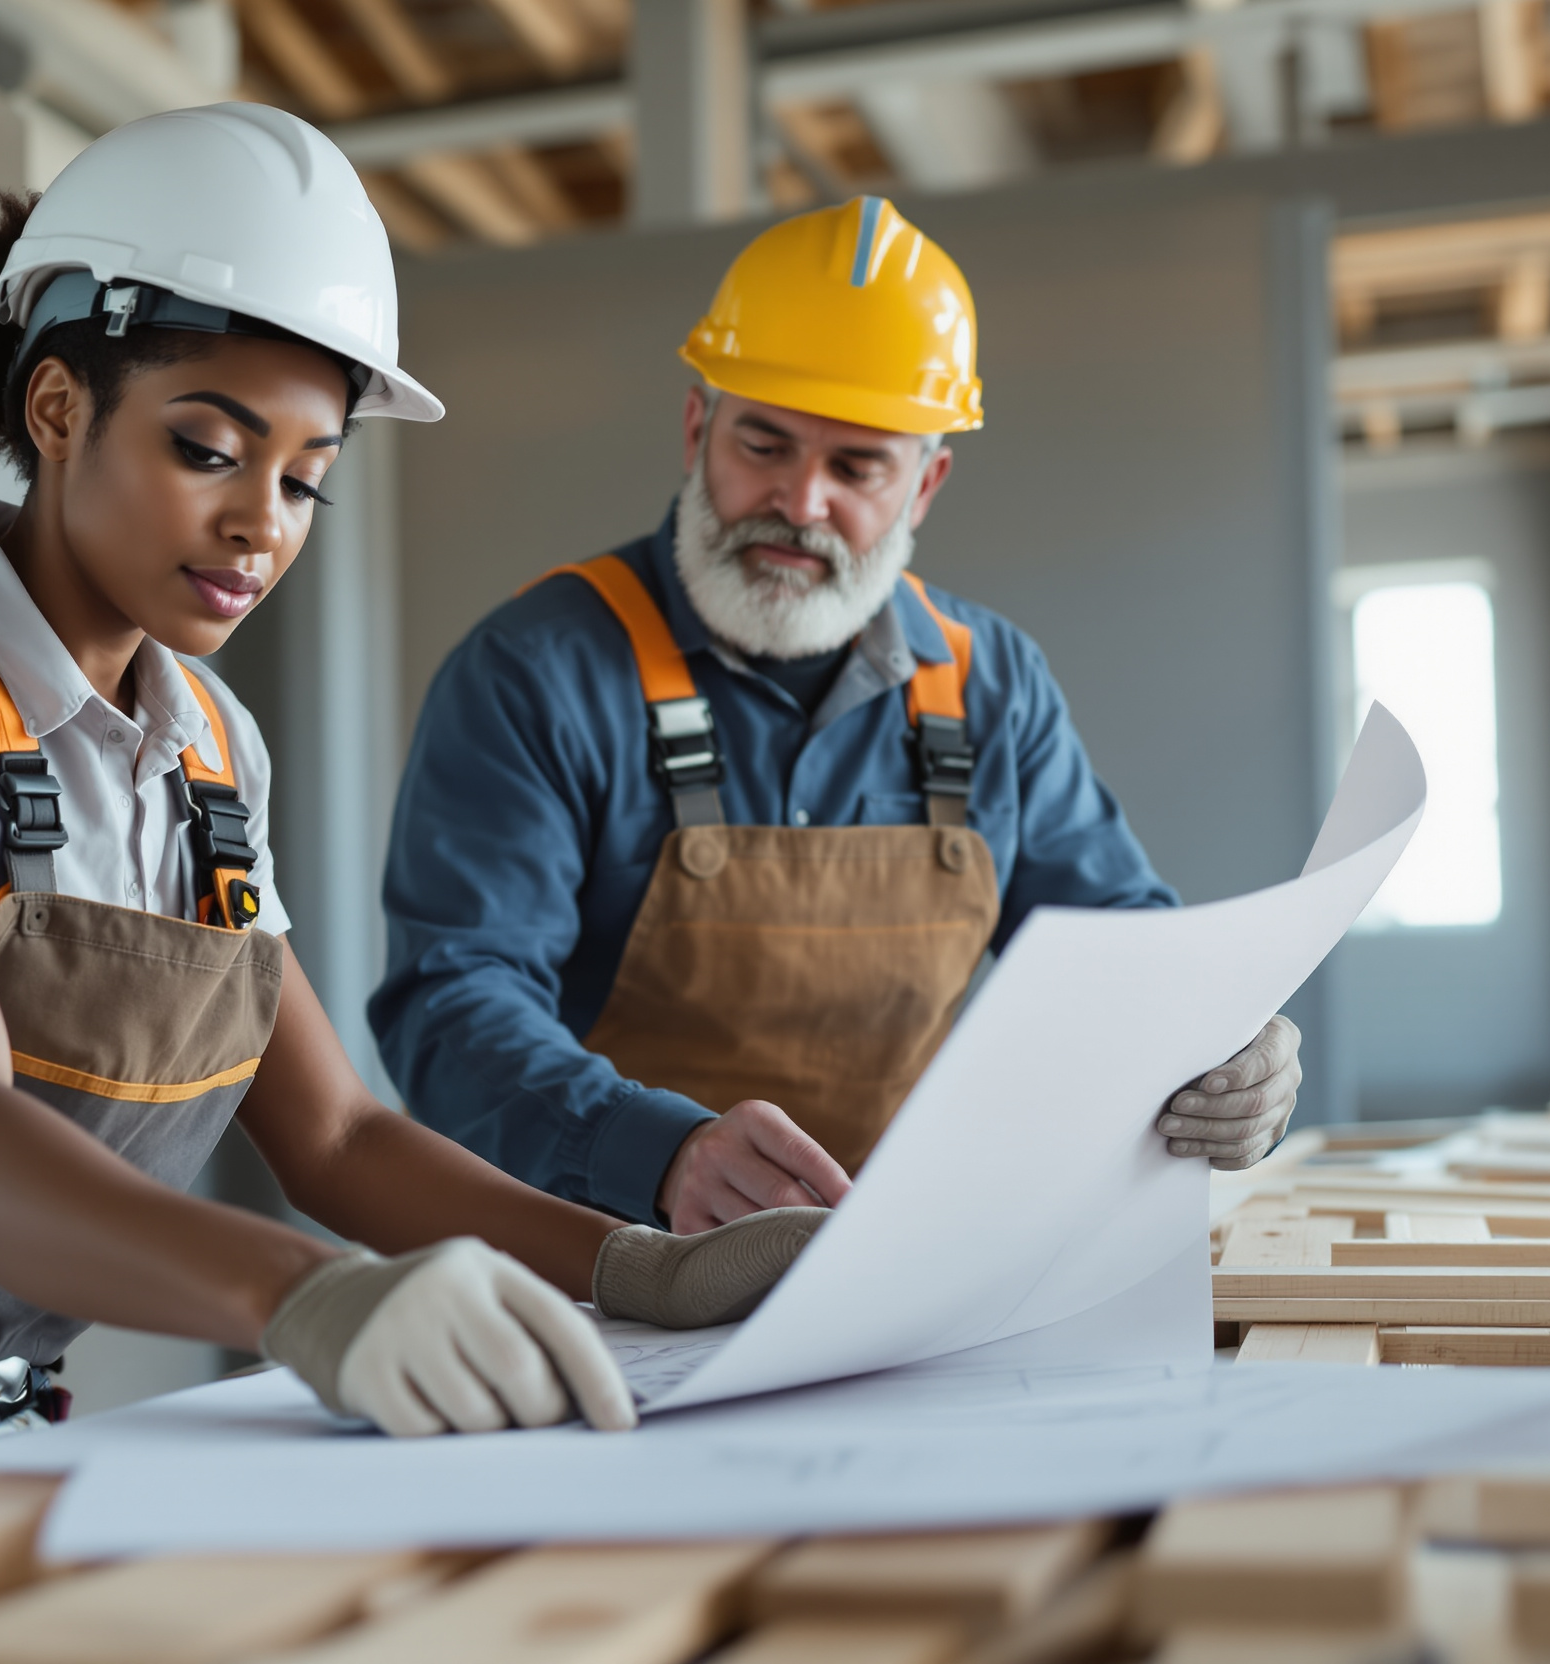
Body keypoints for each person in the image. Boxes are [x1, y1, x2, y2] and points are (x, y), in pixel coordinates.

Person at [0, 106, 824, 1589]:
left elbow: (334, 1135)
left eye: (308, 476)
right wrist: (316, 1302)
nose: (262, 524)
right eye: (209, 447)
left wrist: (638, 1268)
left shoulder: (209, 748)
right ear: (59, 407)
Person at [373, 197, 1302, 1235]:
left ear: (925, 486)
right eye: (763, 443)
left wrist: (1218, 1042)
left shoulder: (991, 685)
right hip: (596, 1269)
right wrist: (658, 1151)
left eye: (856, 466)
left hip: (899, 1271)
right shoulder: (535, 672)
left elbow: (1120, 958)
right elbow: (450, 1009)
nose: (799, 501)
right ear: (696, 429)